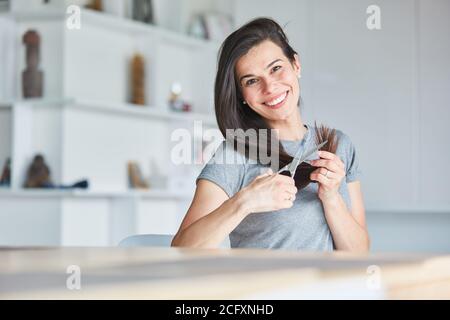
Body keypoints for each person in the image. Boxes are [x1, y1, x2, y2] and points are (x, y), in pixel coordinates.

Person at [171, 18, 369, 252]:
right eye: (252, 80)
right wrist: (245, 202)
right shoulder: (235, 153)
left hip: (328, 288)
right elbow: (182, 249)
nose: (270, 87)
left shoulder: (339, 146)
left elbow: (359, 253)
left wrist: (332, 197)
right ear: (241, 94)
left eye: (276, 68)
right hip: (264, 288)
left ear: (296, 65)